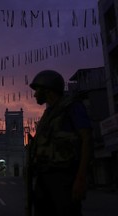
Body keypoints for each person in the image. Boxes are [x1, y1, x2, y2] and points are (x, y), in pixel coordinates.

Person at [29, 70, 92, 216]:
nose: (35, 94)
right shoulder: (48, 114)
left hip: (64, 176)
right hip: (44, 177)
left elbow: (87, 139)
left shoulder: (72, 107)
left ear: (48, 90)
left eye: (38, 90)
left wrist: (81, 178)